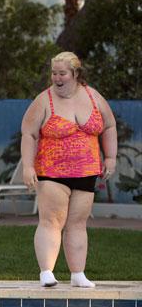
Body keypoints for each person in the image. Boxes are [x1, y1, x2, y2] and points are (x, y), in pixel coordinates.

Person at [21, 51, 118, 288]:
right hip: (52, 172)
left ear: (75, 73)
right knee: (52, 221)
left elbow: (109, 126)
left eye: (62, 73)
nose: (57, 78)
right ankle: (46, 272)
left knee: (77, 222)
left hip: (86, 173)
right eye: (54, 73)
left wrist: (111, 157)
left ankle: (78, 274)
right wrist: (27, 166)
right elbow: (29, 133)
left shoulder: (93, 96)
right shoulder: (44, 100)